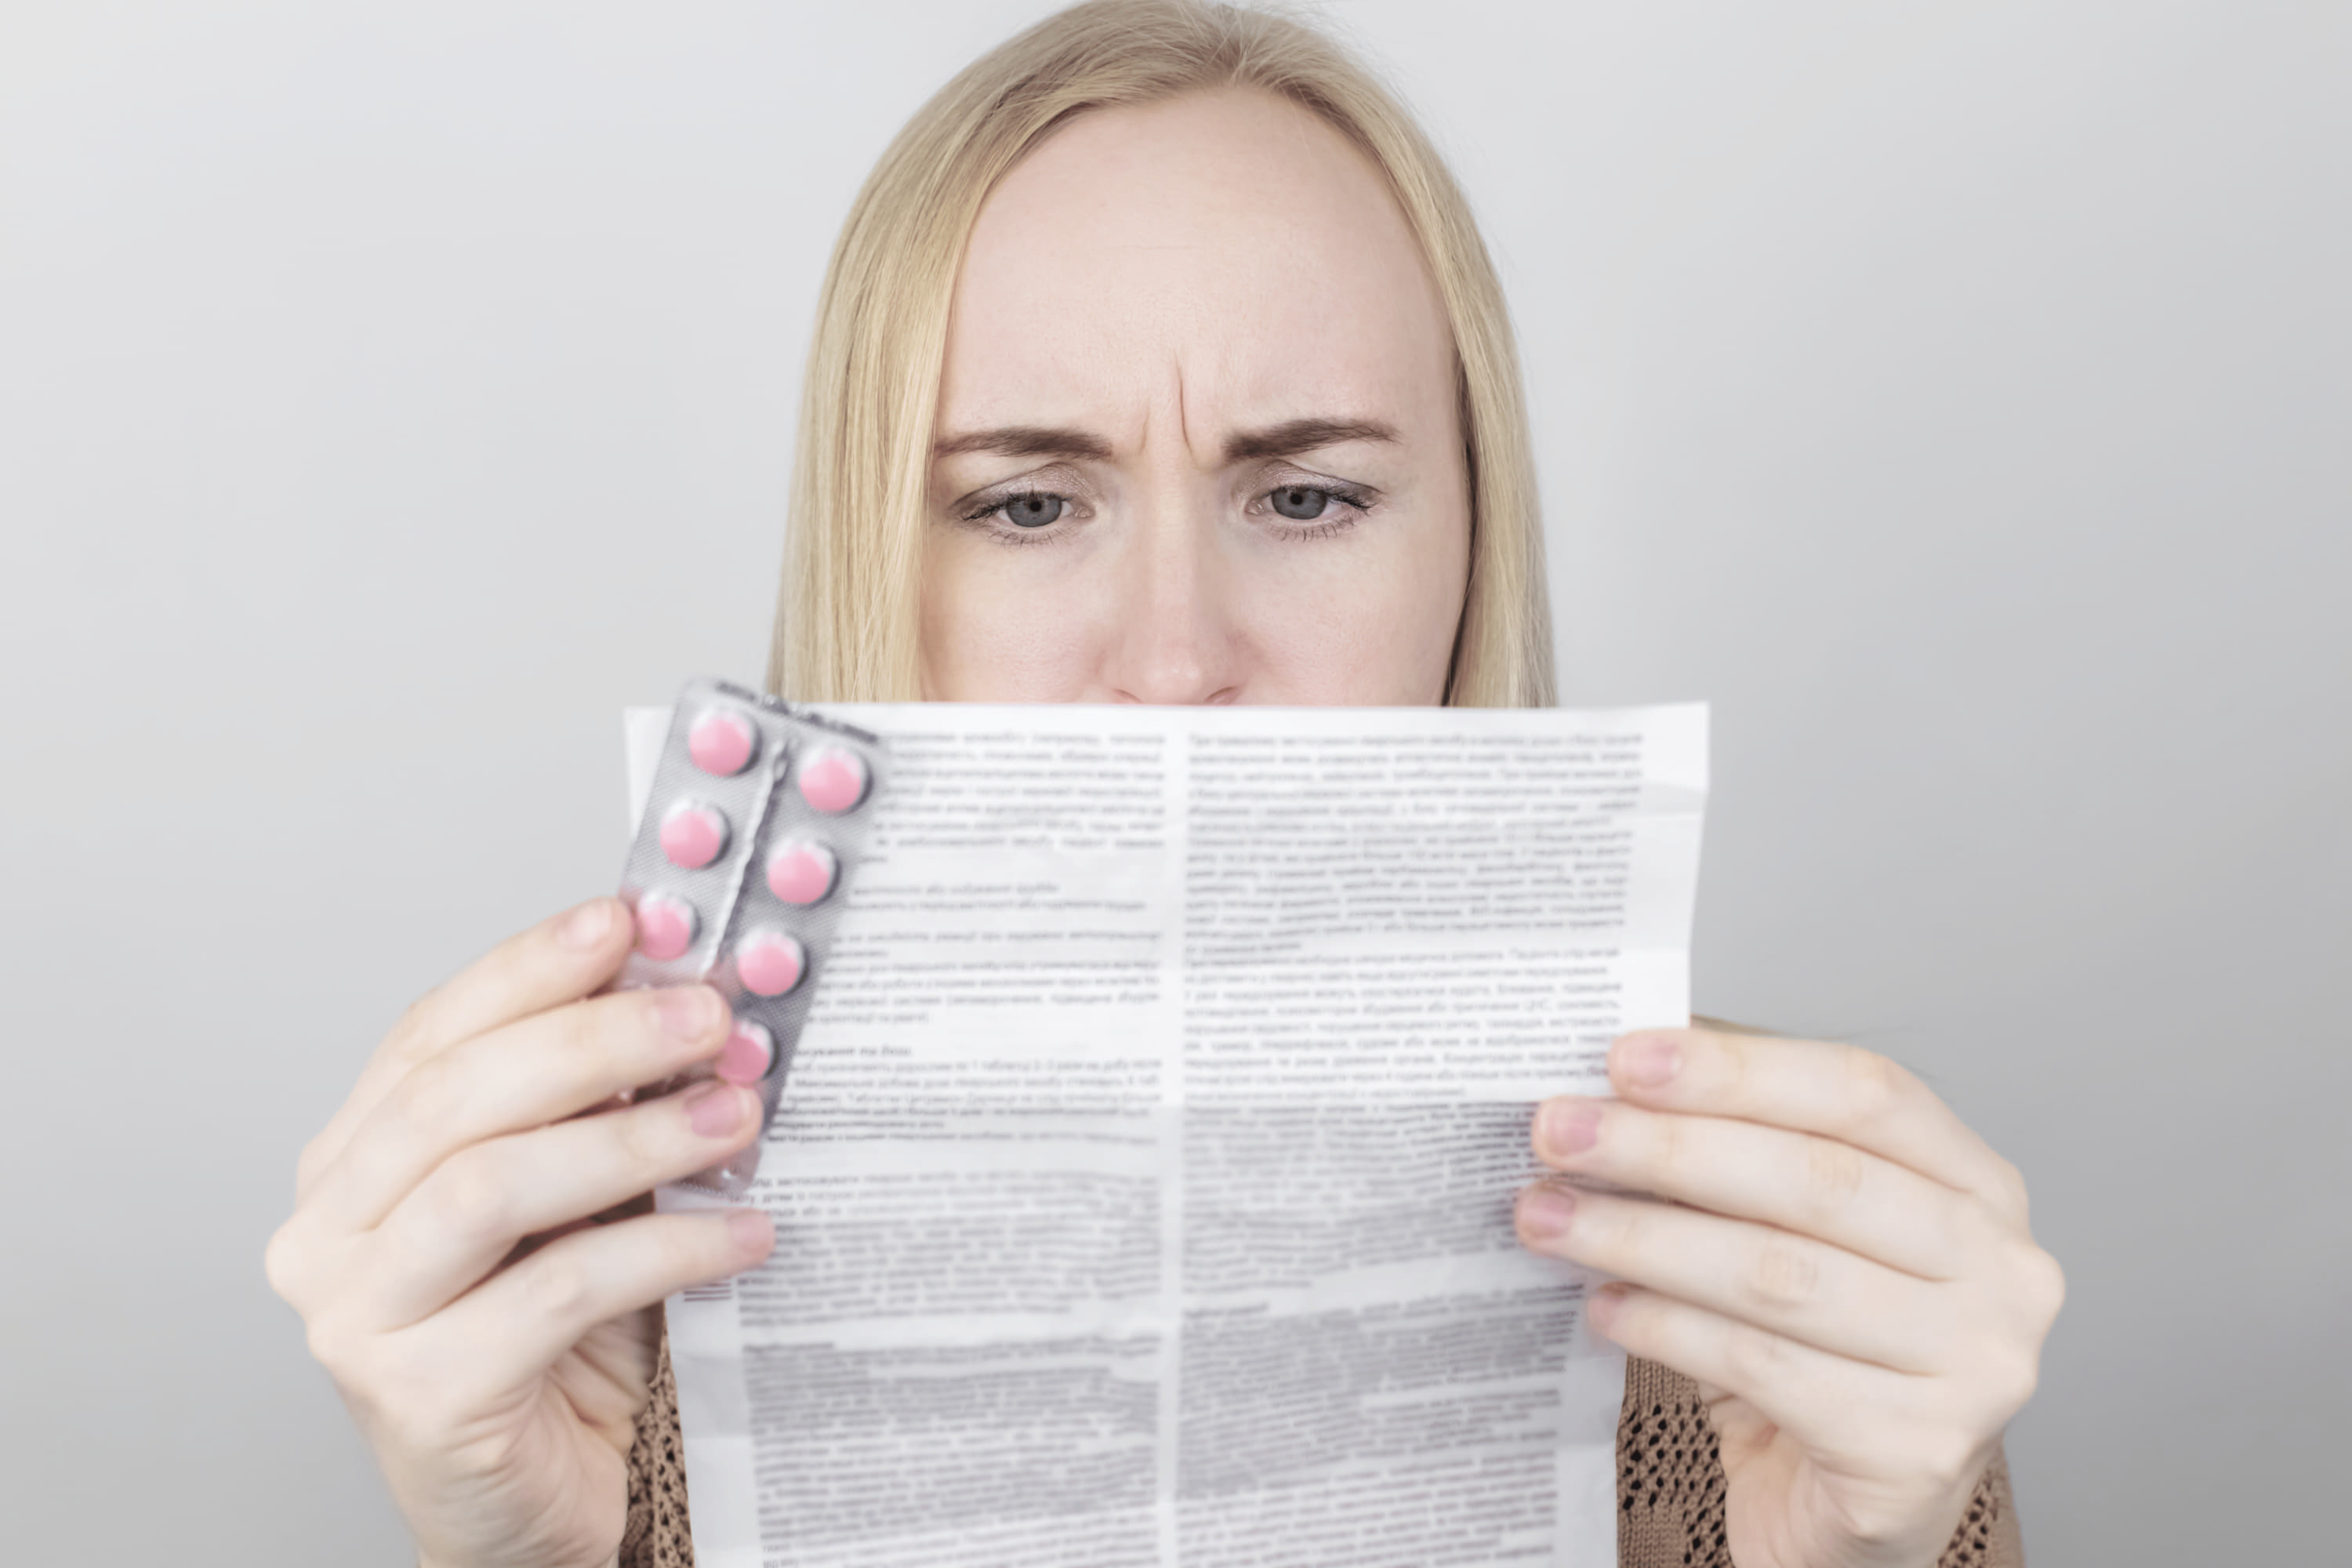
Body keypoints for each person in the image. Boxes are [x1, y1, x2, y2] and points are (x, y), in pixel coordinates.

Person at [265, 3, 2063, 1566]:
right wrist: (517, 1555)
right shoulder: (597, 1301)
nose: (1179, 658)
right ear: (881, 553)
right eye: (1029, 504)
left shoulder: (1760, 1284)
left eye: (1307, 497)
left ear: (1469, 550)